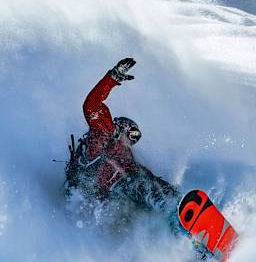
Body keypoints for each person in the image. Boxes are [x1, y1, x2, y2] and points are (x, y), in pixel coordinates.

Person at [66, 57, 181, 220]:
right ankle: (166, 206)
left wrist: (166, 187)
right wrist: (113, 77)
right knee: (136, 184)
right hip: (107, 189)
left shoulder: (125, 155)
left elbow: (138, 170)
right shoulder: (102, 129)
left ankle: (176, 208)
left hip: (115, 191)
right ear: (122, 126)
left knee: (145, 182)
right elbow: (91, 104)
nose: (132, 140)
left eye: (136, 138)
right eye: (132, 134)